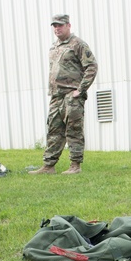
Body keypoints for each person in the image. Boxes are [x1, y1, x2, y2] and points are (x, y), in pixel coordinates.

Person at [29, 14, 98, 175]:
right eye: (54, 26)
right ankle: (49, 166)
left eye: (60, 25)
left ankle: (75, 165)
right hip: (56, 95)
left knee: (73, 130)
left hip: (71, 96)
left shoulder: (78, 44)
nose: (57, 28)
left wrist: (80, 90)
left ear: (68, 25)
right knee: (54, 130)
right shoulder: (54, 47)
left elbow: (92, 67)